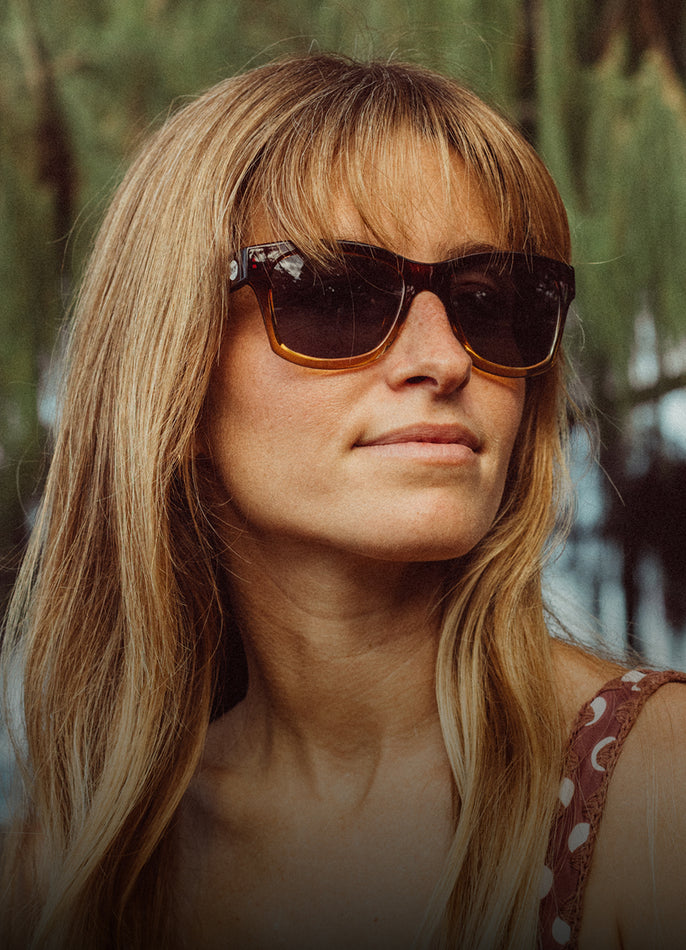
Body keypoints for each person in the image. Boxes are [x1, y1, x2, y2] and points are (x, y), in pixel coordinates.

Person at [1, 52, 685, 950]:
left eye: (489, 301)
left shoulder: (654, 795)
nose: (445, 361)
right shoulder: (61, 879)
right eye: (334, 294)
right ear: (174, 375)